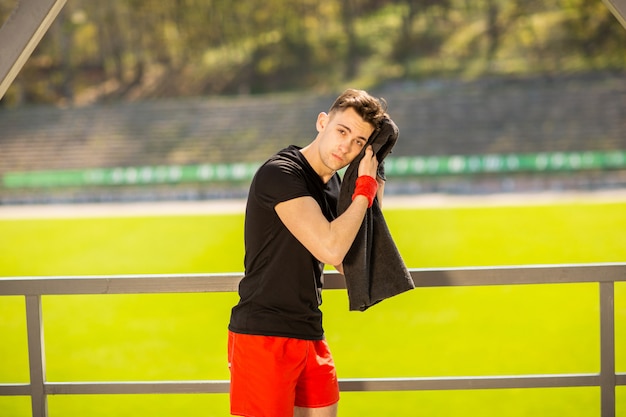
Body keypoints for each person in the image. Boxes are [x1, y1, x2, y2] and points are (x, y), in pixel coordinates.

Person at [227, 89, 389, 417]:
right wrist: (364, 191)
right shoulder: (281, 172)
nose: (346, 146)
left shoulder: (333, 188)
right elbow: (330, 248)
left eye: (359, 142)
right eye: (342, 131)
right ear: (322, 122)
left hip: (309, 331)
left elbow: (351, 264)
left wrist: (375, 187)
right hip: (263, 334)